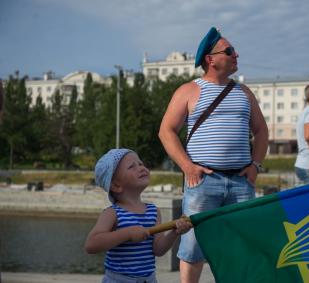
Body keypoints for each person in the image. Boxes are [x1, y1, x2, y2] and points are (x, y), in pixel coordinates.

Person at [158, 27, 268, 283]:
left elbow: (261, 131)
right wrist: (187, 167)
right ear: (211, 59)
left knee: (240, 245)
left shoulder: (244, 92)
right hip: (202, 180)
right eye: (229, 51)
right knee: (193, 247)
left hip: (241, 181)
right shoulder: (188, 91)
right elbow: (166, 131)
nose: (236, 54)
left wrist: (256, 165)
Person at [85, 148, 192, 283]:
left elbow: (158, 249)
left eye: (140, 163)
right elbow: (91, 244)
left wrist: (174, 233)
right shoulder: (112, 213)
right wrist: (127, 233)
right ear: (116, 185)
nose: (141, 168)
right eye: (132, 166)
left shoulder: (153, 211)